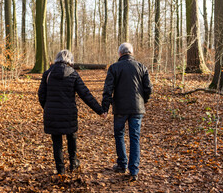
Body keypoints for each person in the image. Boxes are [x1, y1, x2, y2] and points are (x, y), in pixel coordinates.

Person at [38, 50, 105, 175]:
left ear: (57, 59)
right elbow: (85, 94)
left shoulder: (48, 74)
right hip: (69, 113)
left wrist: (47, 108)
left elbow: (41, 94)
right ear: (70, 60)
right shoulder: (73, 74)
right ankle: (73, 163)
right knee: (71, 138)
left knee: (57, 141)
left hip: (52, 114)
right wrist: (100, 111)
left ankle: (60, 169)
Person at [102, 43, 153, 181]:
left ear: (120, 54)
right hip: (137, 108)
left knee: (119, 134)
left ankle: (122, 164)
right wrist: (143, 101)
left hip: (120, 108)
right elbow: (148, 88)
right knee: (134, 137)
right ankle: (134, 170)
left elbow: (108, 90)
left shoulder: (114, 68)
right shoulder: (141, 67)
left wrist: (105, 108)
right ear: (131, 52)